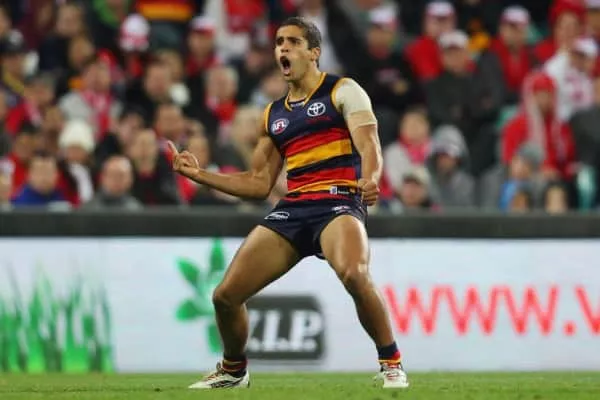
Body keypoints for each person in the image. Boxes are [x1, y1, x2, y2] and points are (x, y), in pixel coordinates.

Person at [167, 17, 409, 390]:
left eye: (293, 42)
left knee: (354, 274)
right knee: (225, 296)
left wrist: (371, 178)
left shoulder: (343, 90)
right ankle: (233, 370)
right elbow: (257, 183)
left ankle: (391, 363)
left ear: (314, 52)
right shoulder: (273, 114)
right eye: (279, 41)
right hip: (293, 207)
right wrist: (200, 175)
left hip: (337, 200)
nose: (283, 48)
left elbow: (369, 143)